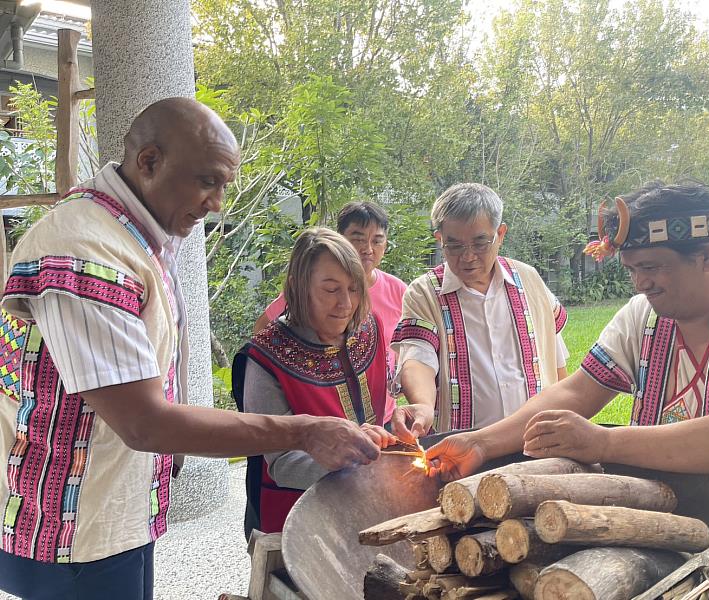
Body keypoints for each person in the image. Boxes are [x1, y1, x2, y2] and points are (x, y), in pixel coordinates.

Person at [0, 98, 379, 600]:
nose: (218, 203)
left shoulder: (132, 235)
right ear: (150, 162)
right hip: (74, 529)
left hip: (118, 511)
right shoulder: (84, 252)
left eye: (224, 185)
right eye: (208, 181)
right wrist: (305, 431)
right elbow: (145, 423)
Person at [426, 181, 709, 482]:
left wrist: (604, 442)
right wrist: (480, 443)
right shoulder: (644, 316)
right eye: (632, 269)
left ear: (707, 256)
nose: (640, 284)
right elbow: (577, 391)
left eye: (651, 267)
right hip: (668, 527)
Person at [234, 227, 395, 535]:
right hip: (301, 520)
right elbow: (281, 463)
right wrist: (350, 462)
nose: (345, 305)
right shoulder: (266, 358)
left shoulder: (368, 328)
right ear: (298, 287)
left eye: (353, 288)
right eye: (331, 289)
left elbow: (376, 411)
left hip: (372, 502)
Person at [391, 183, 569, 441]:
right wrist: (424, 406)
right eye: (454, 245)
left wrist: (569, 415)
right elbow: (418, 359)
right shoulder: (424, 293)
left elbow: (556, 360)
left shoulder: (529, 279)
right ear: (440, 239)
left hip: (537, 442)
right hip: (463, 451)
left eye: (480, 243)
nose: (468, 257)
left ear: (500, 234)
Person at [254, 201, 407, 422]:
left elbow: (406, 347)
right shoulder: (302, 297)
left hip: (381, 420)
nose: (368, 249)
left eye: (355, 290)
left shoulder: (391, 301)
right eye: (331, 289)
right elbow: (263, 334)